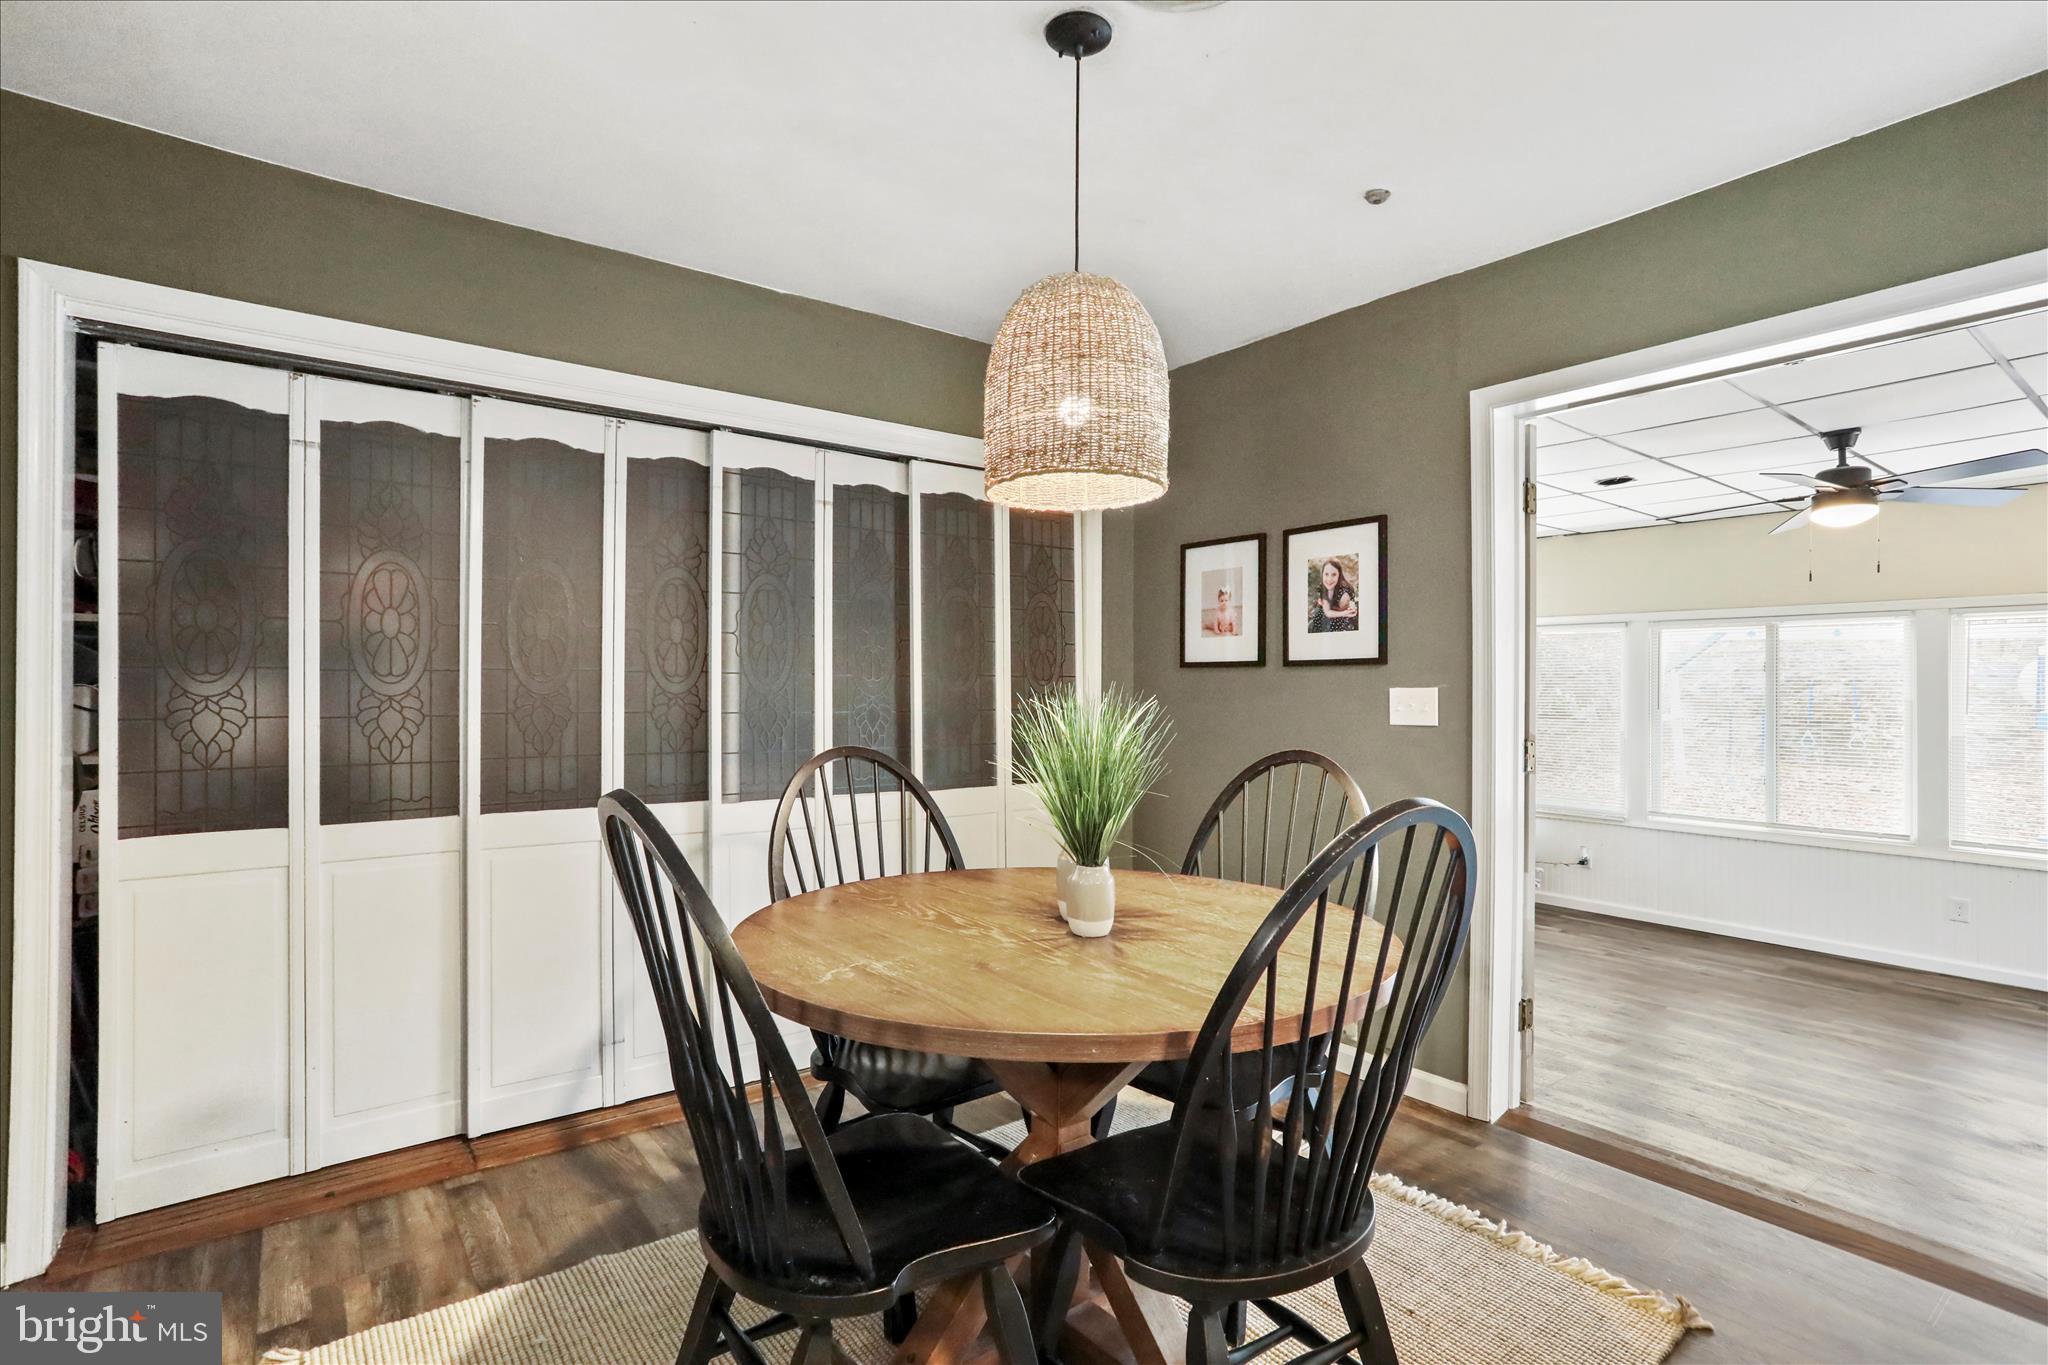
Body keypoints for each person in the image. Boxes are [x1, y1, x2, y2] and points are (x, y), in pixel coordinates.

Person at [1310, 559, 1358, 632]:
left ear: (1339, 575)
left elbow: (1345, 615)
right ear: (1322, 574)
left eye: (1334, 574)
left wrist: (1347, 611)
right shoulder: (1322, 588)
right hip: (1324, 618)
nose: (1329, 579)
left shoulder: (1344, 594)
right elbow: (1327, 611)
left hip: (1338, 623)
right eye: (1326, 574)